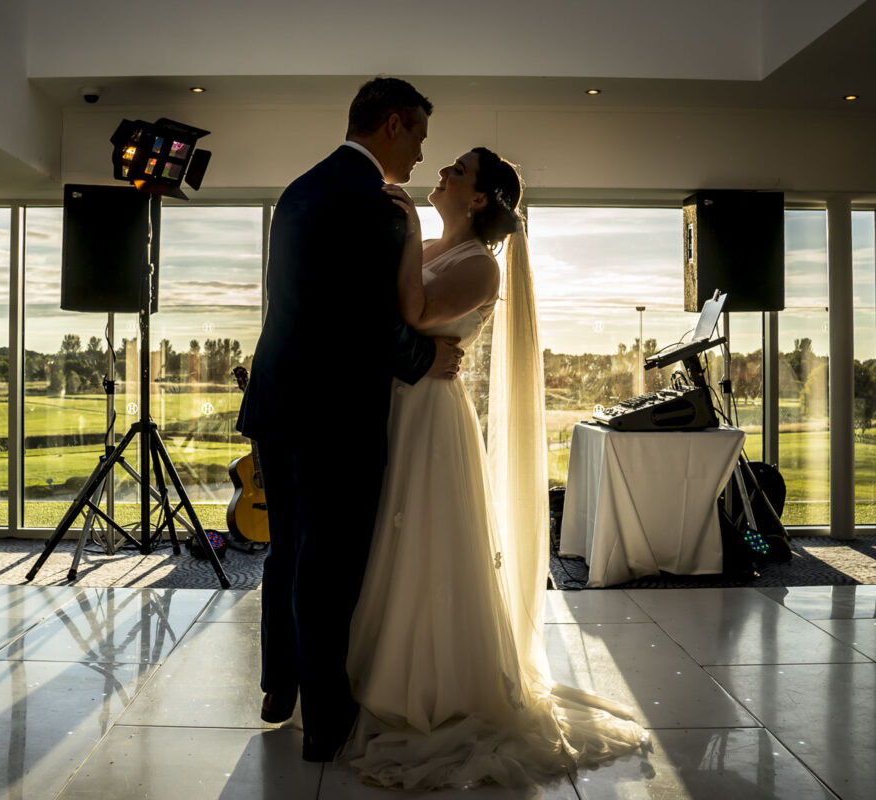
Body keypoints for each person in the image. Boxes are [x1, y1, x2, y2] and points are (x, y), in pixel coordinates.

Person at [341, 148, 648, 789]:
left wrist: (405, 238)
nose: (443, 173)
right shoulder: (428, 246)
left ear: (479, 198)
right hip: (397, 403)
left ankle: (429, 685)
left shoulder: (480, 266)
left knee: (424, 543)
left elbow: (418, 314)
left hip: (430, 416)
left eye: (458, 169)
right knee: (385, 540)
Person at [235, 77, 465, 762]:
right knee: (330, 563)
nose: (423, 154)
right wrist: (426, 357)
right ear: (394, 124)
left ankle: (280, 687)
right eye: (420, 135)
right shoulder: (376, 208)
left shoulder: (297, 192)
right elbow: (366, 319)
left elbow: (304, 303)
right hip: (338, 411)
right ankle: (326, 719)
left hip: (278, 399)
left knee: (287, 549)